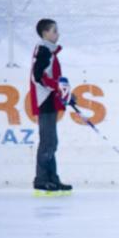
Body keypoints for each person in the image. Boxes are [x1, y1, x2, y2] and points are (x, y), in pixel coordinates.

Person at [30, 19, 73, 194]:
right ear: (45, 33)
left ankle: (52, 178)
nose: (57, 34)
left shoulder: (49, 51)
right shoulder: (44, 50)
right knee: (48, 142)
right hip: (44, 100)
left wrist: (64, 92)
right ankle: (41, 179)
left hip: (50, 99)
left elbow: (52, 78)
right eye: (54, 31)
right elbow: (38, 76)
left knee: (51, 142)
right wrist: (57, 87)